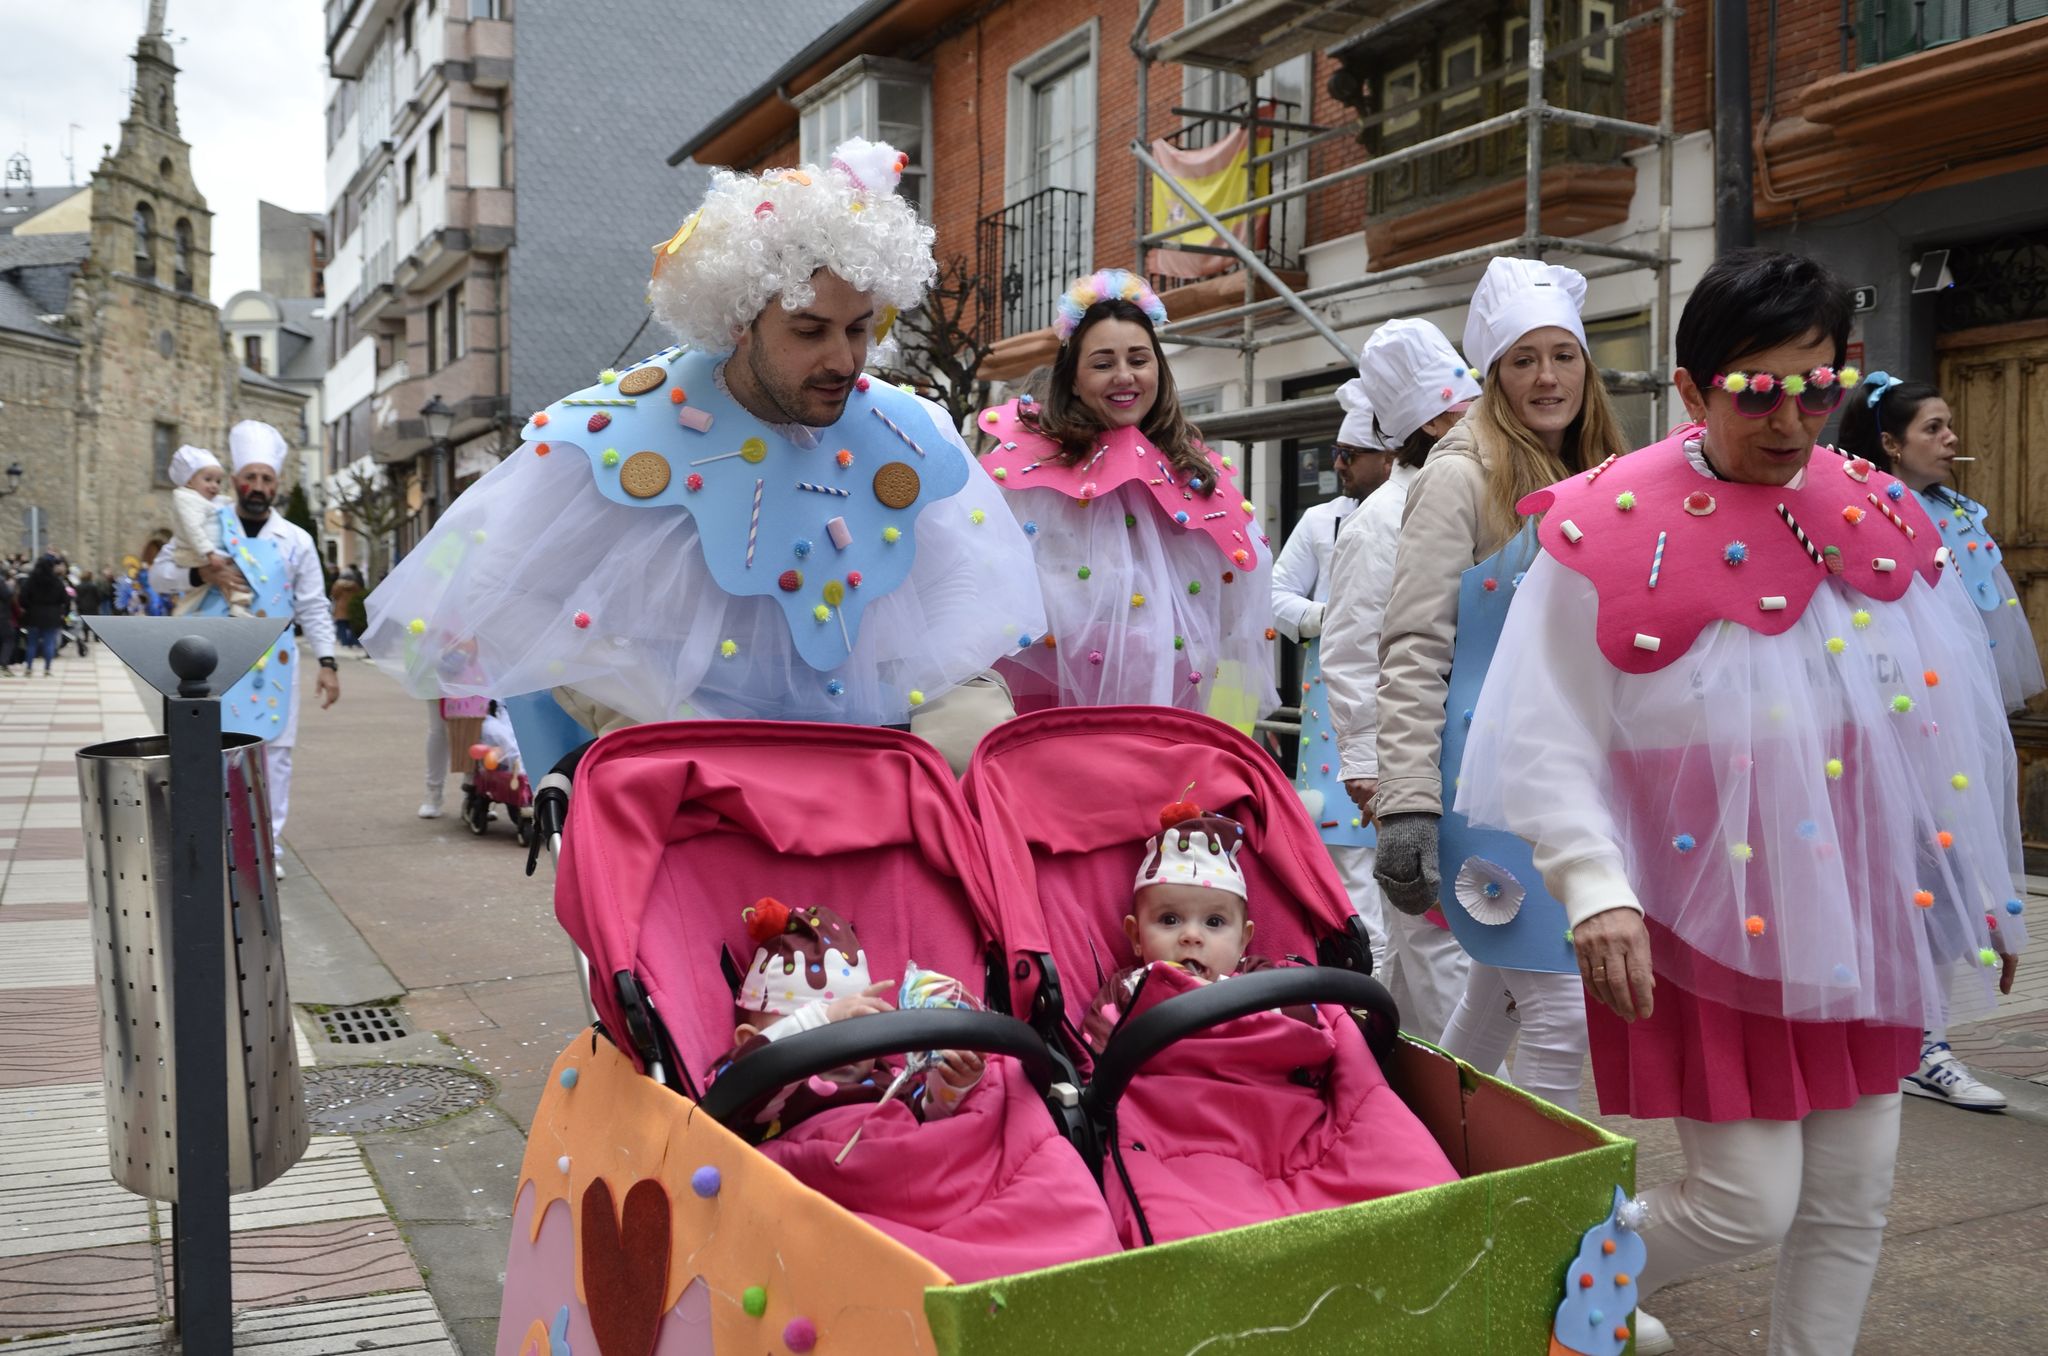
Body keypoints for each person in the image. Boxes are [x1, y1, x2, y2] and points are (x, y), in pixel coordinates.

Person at [1458, 249, 2026, 1356]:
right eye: (1753, 391)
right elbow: (1540, 727)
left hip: (1859, 899)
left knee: (1853, 1191)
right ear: (1688, 388)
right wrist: (1591, 884)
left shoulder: (1869, 503)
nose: (1788, 421)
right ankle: (1566, 1284)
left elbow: (1931, 722)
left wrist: (1974, 888)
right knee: (1741, 1201)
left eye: (1815, 390)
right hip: (1705, 898)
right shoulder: (1602, 522)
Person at [363, 138, 1041, 772]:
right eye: (810, 330)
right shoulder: (622, 432)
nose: (843, 359)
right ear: (740, 321)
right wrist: (650, 709)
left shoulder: (909, 431)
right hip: (692, 794)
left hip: (869, 787)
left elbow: (959, 590)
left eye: (860, 328)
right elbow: (501, 592)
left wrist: (938, 718)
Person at [1371, 259, 1629, 1116]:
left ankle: (1419, 1162)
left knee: (1492, 999)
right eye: (1523, 359)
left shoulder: (1612, 475)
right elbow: (1412, 647)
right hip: (1487, 783)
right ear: (1492, 375)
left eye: (1563, 355)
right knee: (1559, 1008)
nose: (1547, 376)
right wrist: (1408, 802)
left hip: (1580, 777)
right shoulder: (1459, 475)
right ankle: (1532, 1212)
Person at [1080, 797, 1459, 1247]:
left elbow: (1312, 1032)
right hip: (1178, 1119)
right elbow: (1096, 1059)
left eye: (1214, 922)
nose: (1191, 935)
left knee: (1405, 1172)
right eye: (1168, 919)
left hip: (1281, 1109)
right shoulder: (1130, 987)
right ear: (1135, 936)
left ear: (1244, 938)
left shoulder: (1262, 980)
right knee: (1179, 1222)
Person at [1835, 373, 2036, 1114]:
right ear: (1888, 443)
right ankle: (1904, 1038)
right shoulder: (1869, 515)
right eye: (1933, 428)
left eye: (1950, 425)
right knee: (1901, 877)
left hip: (1947, 718)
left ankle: (1928, 1040)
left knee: (1948, 873)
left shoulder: (1951, 513)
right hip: (1886, 722)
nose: (1951, 439)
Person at [978, 270, 1277, 727]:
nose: (1124, 377)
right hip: (1053, 718)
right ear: (1073, 379)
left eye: (1138, 359)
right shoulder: (1028, 474)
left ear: (1158, 367)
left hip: (1169, 714)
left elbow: (1236, 599)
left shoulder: (1194, 470)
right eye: (1102, 363)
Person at [1321, 318, 1485, 1046]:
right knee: (1433, 946)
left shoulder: (1486, 492)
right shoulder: (1379, 521)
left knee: (1456, 955)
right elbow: (1355, 648)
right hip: (1415, 764)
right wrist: (1369, 768)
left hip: (1479, 755)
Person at [152, 421, 340, 870]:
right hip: (211, 661)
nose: (258, 487)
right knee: (207, 751)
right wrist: (203, 574)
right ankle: (211, 843)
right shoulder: (206, 523)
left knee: (273, 757)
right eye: (250, 478)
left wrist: (328, 661)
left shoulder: (296, 540)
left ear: (277, 486)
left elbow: (313, 605)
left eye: (267, 479)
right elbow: (159, 575)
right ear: (236, 482)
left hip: (272, 664)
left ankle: (263, 849)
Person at [1272, 373, 1396, 966]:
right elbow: (1275, 596)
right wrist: (1336, 616)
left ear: (1389, 455)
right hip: (1335, 712)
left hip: (1408, 700)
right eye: (1336, 455)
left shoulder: (1427, 511)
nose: (1339, 465)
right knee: (1349, 855)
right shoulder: (1321, 522)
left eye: (1351, 455)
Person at [166, 444, 253, 617]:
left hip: (205, 553)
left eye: (218, 481)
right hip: (195, 553)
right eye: (208, 480)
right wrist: (209, 553)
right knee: (234, 574)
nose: (214, 486)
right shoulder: (187, 500)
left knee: (199, 591)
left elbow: (223, 504)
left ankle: (180, 614)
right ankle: (239, 603)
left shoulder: (206, 500)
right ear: (190, 481)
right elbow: (193, 529)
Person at [18, 554, 70, 676]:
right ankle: (47, 669)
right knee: (49, 643)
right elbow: (65, 600)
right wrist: (63, 613)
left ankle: (29, 668)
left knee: (31, 643)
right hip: (52, 615)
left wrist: (28, 607)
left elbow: (22, 598)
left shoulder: (30, 580)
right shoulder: (57, 582)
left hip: (34, 613)